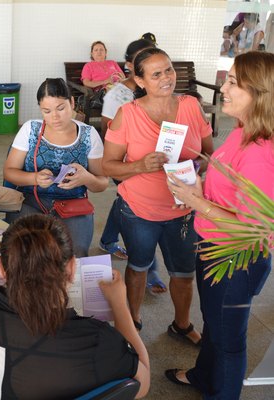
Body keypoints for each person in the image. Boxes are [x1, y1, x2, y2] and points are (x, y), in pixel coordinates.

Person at [0, 214, 150, 399]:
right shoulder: (96, 342)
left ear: (1, 269)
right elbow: (141, 384)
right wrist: (121, 305)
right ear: (71, 269)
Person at [165, 51, 274, 399]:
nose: (222, 87)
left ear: (258, 92)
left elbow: (253, 228)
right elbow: (230, 184)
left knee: (229, 340)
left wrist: (197, 202)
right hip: (214, 248)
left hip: (236, 259)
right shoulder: (241, 131)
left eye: (232, 82)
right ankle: (203, 376)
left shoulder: (259, 150)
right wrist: (200, 186)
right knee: (214, 323)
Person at [102, 47, 214, 337]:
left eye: (169, 70)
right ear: (140, 82)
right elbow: (108, 166)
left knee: (184, 274)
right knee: (138, 267)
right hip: (139, 210)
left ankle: (182, 325)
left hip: (184, 210)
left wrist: (193, 173)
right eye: (156, 74)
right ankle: (133, 321)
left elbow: (208, 156)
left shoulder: (190, 105)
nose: (166, 78)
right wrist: (139, 165)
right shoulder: (127, 115)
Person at [4, 78, 108, 257]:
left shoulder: (89, 135)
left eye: (61, 108)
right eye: (47, 111)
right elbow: (9, 172)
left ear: (72, 103)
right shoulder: (31, 130)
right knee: (23, 251)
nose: (55, 117)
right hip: (30, 201)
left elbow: (102, 183)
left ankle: (65, 285)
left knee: (75, 253)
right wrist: (34, 178)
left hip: (73, 205)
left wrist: (86, 178)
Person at [99, 39, 167, 295]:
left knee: (124, 202)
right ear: (129, 65)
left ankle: (107, 240)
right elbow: (107, 131)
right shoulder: (117, 95)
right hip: (126, 164)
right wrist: (128, 159)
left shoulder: (159, 90)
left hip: (154, 163)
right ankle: (151, 270)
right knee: (141, 214)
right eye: (140, 59)